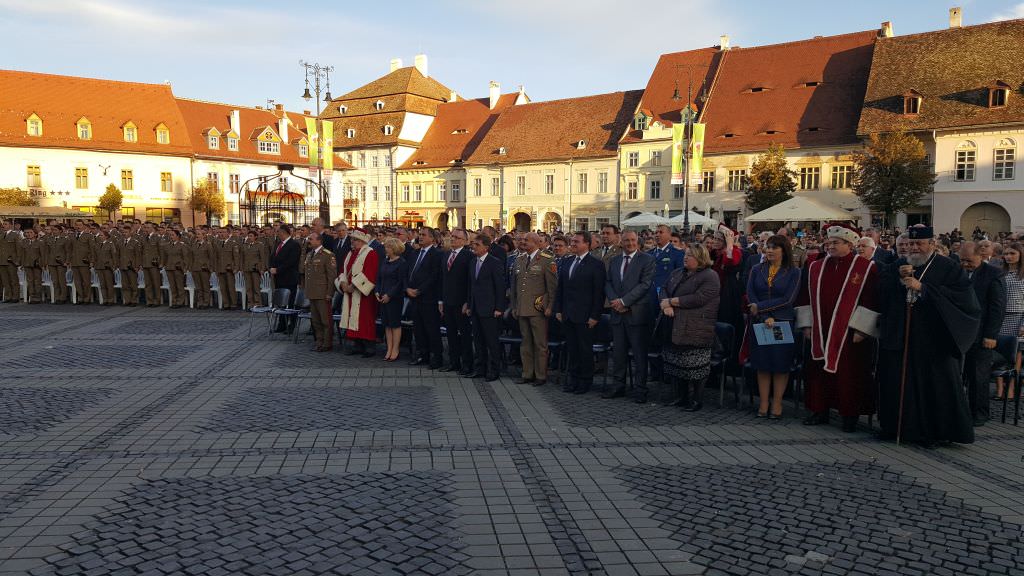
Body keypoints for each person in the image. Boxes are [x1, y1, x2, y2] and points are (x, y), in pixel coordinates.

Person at [877, 226, 979, 446]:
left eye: (919, 244)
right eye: (910, 244)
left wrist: (923, 288)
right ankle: (899, 428)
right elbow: (881, 293)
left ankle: (935, 431)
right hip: (901, 336)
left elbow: (962, 299)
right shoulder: (898, 265)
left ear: (931, 245)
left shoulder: (949, 267)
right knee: (897, 382)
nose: (914, 248)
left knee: (935, 386)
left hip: (934, 339)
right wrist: (896, 280)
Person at [795, 223, 880, 433]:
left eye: (835, 242)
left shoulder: (865, 267)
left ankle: (849, 415)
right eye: (828, 242)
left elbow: (871, 299)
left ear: (849, 244)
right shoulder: (815, 265)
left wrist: (862, 329)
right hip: (820, 329)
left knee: (849, 374)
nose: (830, 246)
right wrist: (806, 324)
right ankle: (818, 409)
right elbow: (804, 295)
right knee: (817, 370)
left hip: (849, 332)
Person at [744, 235, 801, 418]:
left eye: (774, 247)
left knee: (780, 364)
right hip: (760, 321)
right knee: (762, 364)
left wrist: (762, 308)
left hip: (782, 322)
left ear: (783, 251)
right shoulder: (756, 269)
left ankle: (777, 403)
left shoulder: (794, 272)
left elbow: (788, 299)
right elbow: (751, 293)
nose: (769, 250)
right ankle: (763, 402)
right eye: (767, 247)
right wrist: (763, 314)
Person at [660, 243, 720, 411]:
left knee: (695, 365)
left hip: (697, 327)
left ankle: (697, 399)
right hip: (675, 325)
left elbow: (699, 298)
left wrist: (672, 302)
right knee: (676, 363)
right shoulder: (678, 273)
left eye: (690, 255)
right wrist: (665, 305)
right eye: (685, 254)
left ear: (700, 258)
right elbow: (664, 289)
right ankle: (681, 396)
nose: (685, 258)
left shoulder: (710, 276)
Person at [604, 231, 655, 402]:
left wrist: (625, 302)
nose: (630, 243)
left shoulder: (646, 259)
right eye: (626, 240)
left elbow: (645, 284)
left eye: (633, 240)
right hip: (617, 314)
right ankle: (618, 386)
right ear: (621, 242)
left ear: (638, 242)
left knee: (639, 354)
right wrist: (614, 301)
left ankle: (640, 389)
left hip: (636, 314)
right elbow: (608, 282)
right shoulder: (615, 260)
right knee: (618, 354)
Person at [959, 241, 1006, 426]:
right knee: (963, 374)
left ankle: (979, 414)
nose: (965, 264)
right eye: (962, 260)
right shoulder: (959, 272)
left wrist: (991, 335)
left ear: (981, 256)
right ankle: (964, 410)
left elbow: (997, 308)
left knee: (979, 376)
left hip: (982, 335)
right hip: (961, 333)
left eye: (969, 260)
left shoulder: (994, 274)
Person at [554, 231, 606, 394]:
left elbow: (598, 293)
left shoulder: (596, 264)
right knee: (572, 348)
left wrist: (594, 315)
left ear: (587, 244)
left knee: (585, 349)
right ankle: (573, 379)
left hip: (585, 316)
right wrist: (559, 309)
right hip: (568, 314)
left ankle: (585, 381)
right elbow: (561, 288)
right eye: (572, 241)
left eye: (577, 241)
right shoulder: (568, 262)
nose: (573, 244)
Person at [510, 232, 558, 386]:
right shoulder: (519, 260)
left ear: (537, 242)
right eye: (522, 240)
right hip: (522, 308)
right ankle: (527, 373)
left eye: (526, 240)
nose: (523, 242)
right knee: (525, 344)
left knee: (540, 344)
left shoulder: (546, 260)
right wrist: (514, 306)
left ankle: (540, 375)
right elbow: (515, 287)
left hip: (538, 309)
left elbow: (552, 287)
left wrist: (550, 306)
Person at [465, 234, 506, 382]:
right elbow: (471, 286)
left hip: (490, 309)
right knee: (478, 340)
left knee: (491, 341)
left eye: (477, 244)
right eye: (473, 244)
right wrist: (469, 305)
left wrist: (499, 308)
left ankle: (494, 370)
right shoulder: (472, 262)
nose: (473, 247)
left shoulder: (494, 262)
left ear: (486, 247)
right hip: (476, 308)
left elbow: (500, 287)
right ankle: (480, 368)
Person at [407, 226, 444, 368]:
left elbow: (434, 276)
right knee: (418, 328)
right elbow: (408, 272)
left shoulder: (437, 254)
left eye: (423, 235)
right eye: (420, 234)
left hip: (428, 297)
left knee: (431, 328)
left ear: (432, 238)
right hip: (413, 297)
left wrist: (419, 290)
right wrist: (407, 288)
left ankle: (437, 357)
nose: (420, 237)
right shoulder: (415, 253)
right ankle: (423, 354)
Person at [338, 228, 379, 357]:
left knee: (364, 319)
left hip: (362, 294)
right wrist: (343, 283)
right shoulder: (351, 253)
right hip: (350, 292)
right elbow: (343, 270)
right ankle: (357, 344)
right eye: (352, 239)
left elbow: (370, 274)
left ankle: (369, 346)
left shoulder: (370, 253)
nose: (352, 242)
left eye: (355, 240)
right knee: (353, 318)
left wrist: (353, 286)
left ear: (362, 240)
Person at [440, 229, 475, 374]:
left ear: (464, 241)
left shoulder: (469, 256)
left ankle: (467, 364)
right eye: (452, 236)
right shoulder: (447, 254)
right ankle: (454, 362)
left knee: (465, 335)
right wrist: (440, 301)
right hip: (447, 301)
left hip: (461, 302)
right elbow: (442, 279)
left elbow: (470, 282)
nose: (452, 239)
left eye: (456, 237)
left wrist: (468, 302)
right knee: (451, 334)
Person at [995, 242, 1023, 400]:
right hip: (1000, 316)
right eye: (1006, 254)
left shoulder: (1023, 274)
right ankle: (999, 388)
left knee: (1015, 353)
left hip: (1018, 316)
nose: (1008, 257)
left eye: (1012, 253)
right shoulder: (1000, 273)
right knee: (997, 349)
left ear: (1020, 255)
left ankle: (1012, 387)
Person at [302, 232, 337, 352]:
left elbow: (331, 276)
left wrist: (329, 293)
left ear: (319, 241)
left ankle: (327, 343)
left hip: (323, 293)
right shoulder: (309, 255)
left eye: (311, 239)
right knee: (316, 321)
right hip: (312, 292)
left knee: (325, 320)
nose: (309, 241)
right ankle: (319, 342)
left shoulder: (328, 255)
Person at [377, 238, 409, 362]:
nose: (386, 249)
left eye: (388, 247)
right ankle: (389, 348)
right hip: (382, 295)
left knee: (395, 324)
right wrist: (377, 291)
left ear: (394, 249)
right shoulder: (385, 261)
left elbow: (401, 282)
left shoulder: (402, 263)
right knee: (386, 324)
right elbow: (380, 277)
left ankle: (395, 349)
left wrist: (389, 295)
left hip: (394, 298)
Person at [270, 225, 301, 332]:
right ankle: (281, 324)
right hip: (279, 279)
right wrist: (272, 267)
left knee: (290, 302)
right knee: (281, 302)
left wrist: (278, 270)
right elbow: (274, 257)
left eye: (278, 232)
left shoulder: (294, 245)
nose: (277, 234)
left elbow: (291, 262)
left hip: (289, 278)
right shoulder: (279, 244)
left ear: (284, 232)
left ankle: (291, 325)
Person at [214, 228, 241, 309]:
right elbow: (215, 257)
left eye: (224, 232)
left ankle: (233, 303)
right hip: (220, 268)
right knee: (223, 287)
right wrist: (216, 268)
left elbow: (236, 257)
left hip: (229, 268)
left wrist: (236, 267)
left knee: (230, 287)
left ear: (228, 233)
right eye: (221, 232)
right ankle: (226, 304)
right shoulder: (217, 243)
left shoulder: (233, 243)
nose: (222, 234)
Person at [161, 229, 188, 308]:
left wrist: (183, 266)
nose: (171, 237)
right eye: (170, 235)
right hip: (169, 267)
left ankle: (180, 301)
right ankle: (174, 301)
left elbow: (185, 257)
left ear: (178, 236)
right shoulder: (167, 245)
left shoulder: (182, 245)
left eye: (173, 235)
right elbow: (164, 256)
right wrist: (163, 264)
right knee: (172, 286)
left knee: (179, 285)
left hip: (178, 268)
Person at [70, 221, 94, 304]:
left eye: (80, 225)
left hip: (84, 261)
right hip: (74, 261)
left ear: (84, 226)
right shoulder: (72, 236)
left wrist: (91, 260)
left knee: (86, 281)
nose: (78, 227)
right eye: (76, 225)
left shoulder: (88, 236)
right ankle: (81, 297)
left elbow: (92, 249)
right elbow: (69, 249)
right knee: (77, 281)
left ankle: (87, 298)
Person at [240, 231, 266, 309]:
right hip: (246, 268)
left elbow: (262, 258)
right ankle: (250, 303)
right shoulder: (245, 245)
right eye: (249, 236)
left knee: (256, 287)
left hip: (255, 269)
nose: (249, 237)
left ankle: (257, 303)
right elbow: (242, 257)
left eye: (251, 236)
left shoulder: (259, 245)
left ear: (255, 237)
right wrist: (242, 268)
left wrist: (262, 269)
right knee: (248, 287)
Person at [189, 229, 215, 308]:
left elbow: (211, 257)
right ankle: (200, 301)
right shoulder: (194, 244)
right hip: (195, 268)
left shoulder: (208, 245)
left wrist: (210, 267)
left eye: (199, 234)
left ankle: (206, 302)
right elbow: (191, 256)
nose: (197, 236)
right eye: (197, 234)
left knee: (205, 286)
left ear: (204, 236)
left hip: (204, 268)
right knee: (198, 286)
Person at [91, 229, 118, 305]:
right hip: (99, 266)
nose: (100, 237)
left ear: (106, 236)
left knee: (109, 284)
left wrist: (113, 265)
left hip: (107, 266)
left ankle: (110, 300)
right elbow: (95, 255)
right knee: (102, 284)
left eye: (101, 235)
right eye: (99, 235)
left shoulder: (110, 244)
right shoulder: (97, 244)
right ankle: (105, 299)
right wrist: (94, 264)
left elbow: (114, 255)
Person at [18, 228, 44, 304]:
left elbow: (42, 254)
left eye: (31, 232)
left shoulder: (40, 243)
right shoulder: (23, 242)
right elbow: (22, 254)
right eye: (27, 232)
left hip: (37, 264)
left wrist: (42, 264)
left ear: (35, 234)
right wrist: (22, 264)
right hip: (27, 264)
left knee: (37, 280)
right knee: (30, 281)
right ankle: (32, 296)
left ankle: (37, 297)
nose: (28, 234)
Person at [118, 226, 141, 306]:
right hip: (123, 265)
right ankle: (127, 300)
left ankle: (134, 300)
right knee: (125, 285)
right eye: (123, 232)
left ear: (130, 232)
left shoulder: (135, 242)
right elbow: (118, 254)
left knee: (133, 284)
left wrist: (136, 266)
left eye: (126, 232)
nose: (124, 234)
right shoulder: (120, 241)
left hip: (132, 266)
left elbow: (137, 255)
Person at [141, 224, 163, 307]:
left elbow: (161, 251)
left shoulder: (157, 237)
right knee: (148, 284)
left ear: (153, 229)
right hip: (145, 263)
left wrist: (160, 262)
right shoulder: (143, 238)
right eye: (145, 227)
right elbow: (141, 251)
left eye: (148, 228)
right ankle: (149, 301)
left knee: (155, 283)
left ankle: (157, 301)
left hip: (154, 263)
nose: (146, 229)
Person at [0, 220, 21, 302]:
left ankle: (15, 296)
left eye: (6, 224)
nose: (4, 226)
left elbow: (18, 248)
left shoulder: (15, 235)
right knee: (5, 280)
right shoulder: (1, 234)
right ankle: (8, 296)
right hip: (2, 260)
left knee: (13, 279)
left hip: (11, 260)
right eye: (3, 224)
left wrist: (18, 260)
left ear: (10, 225)